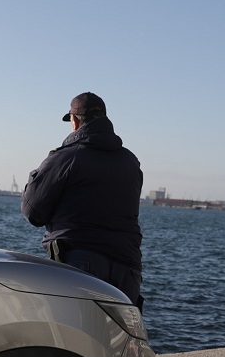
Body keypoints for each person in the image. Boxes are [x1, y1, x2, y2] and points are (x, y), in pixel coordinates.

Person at [21, 92, 144, 309]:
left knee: (74, 336)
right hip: (127, 269)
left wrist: (37, 176)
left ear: (75, 121)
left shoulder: (66, 157)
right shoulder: (131, 162)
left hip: (80, 264)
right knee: (117, 340)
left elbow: (33, 212)